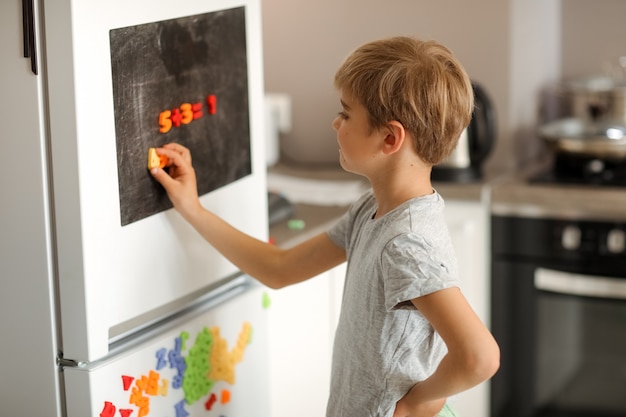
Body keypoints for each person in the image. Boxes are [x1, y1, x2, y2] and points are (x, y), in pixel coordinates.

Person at [150, 36, 500, 417]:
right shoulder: (373, 210)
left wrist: (418, 402)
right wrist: (193, 208)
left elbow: (479, 357)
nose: (336, 122)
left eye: (346, 114)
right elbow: (279, 269)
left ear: (389, 138)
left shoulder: (406, 243)